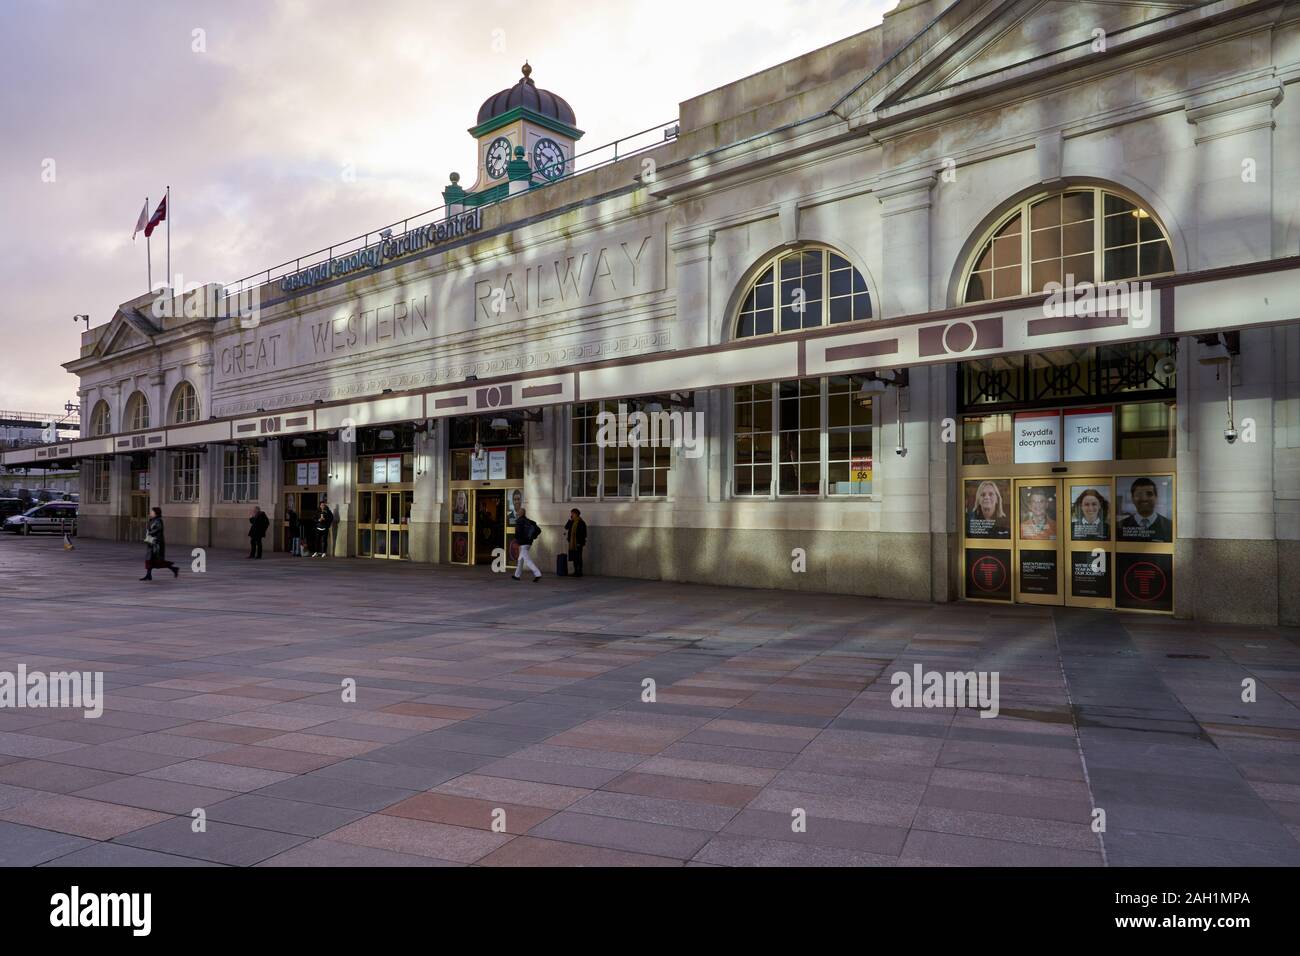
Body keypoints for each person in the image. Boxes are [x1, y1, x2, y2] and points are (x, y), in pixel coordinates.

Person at [1119, 477, 1173, 542]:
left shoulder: (1169, 526)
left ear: (1156, 497)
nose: (1144, 499)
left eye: (1149, 494)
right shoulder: (1120, 527)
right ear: (1132, 498)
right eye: (1139, 494)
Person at [141, 506, 179, 581]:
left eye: (152, 512)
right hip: (151, 542)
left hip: (156, 543)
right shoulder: (152, 520)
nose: (151, 513)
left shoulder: (158, 520)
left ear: (156, 513)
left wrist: (149, 533)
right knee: (149, 560)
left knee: (157, 561)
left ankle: (174, 568)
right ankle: (148, 575)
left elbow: (158, 529)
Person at [512, 507, 542, 582]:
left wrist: (517, 542)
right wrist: (533, 537)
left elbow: (518, 533)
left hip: (523, 543)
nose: (517, 513)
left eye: (518, 512)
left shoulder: (519, 521)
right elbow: (539, 530)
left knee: (527, 560)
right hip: (529, 543)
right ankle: (516, 575)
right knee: (520, 559)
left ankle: (537, 574)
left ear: (520, 513)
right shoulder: (529, 521)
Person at [563, 508, 588, 577]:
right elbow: (566, 527)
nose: (571, 515)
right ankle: (575, 571)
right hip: (572, 543)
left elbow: (583, 534)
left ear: (576, 514)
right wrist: (570, 521)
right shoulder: (572, 522)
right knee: (574, 557)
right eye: (571, 514)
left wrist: (579, 542)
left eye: (572, 514)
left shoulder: (581, 522)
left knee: (578, 557)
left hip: (578, 543)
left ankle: (579, 571)